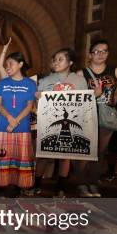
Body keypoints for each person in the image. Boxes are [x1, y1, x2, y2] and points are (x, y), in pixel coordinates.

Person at [35, 48, 88, 197]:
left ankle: (60, 187)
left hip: (70, 123)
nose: (56, 62)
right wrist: (38, 97)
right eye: (55, 59)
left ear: (70, 62)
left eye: (60, 59)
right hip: (49, 123)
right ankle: (36, 183)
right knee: (44, 155)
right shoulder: (45, 81)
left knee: (65, 155)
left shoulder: (79, 80)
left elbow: (85, 103)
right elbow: (37, 106)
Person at [75, 39, 117, 197]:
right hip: (85, 116)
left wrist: (107, 107)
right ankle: (82, 184)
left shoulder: (116, 71)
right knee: (84, 150)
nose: (101, 54)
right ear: (90, 55)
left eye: (104, 51)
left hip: (105, 116)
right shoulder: (80, 74)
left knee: (100, 152)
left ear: (108, 53)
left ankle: (93, 183)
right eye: (97, 51)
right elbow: (75, 97)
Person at [0, 52, 36, 197]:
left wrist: (15, 121)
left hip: (22, 128)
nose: (7, 66)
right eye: (6, 64)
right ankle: (1, 188)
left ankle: (18, 187)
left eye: (10, 63)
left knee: (21, 158)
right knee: (3, 158)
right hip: (2, 126)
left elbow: (30, 106)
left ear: (20, 64)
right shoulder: (2, 83)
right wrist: (10, 118)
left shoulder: (30, 83)